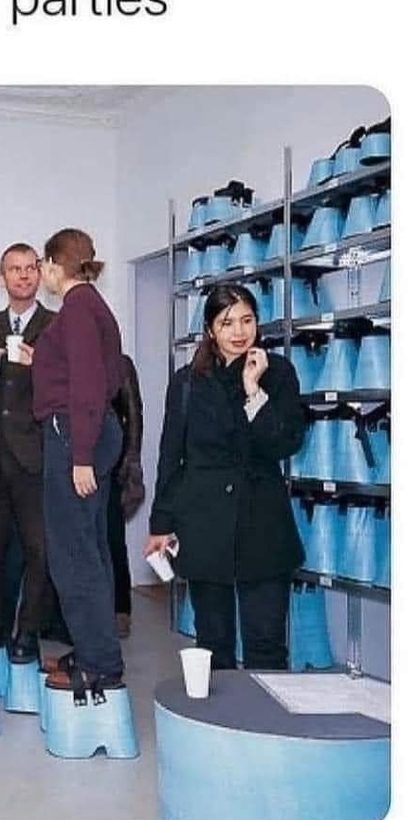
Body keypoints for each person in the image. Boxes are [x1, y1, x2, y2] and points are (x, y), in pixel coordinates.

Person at [144, 283, 305, 671]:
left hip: (262, 523)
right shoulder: (186, 382)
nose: (239, 331)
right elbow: (171, 456)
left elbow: (285, 443)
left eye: (247, 320)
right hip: (204, 523)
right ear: (210, 329)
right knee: (213, 644)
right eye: (227, 322)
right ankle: (218, 710)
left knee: (267, 643)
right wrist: (160, 524)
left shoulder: (278, 373)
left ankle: (266, 713)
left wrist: (253, 392)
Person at [32, 229, 126, 698]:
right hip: (86, 429)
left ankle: (98, 664)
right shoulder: (91, 306)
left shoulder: (76, 308)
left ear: (53, 264)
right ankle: (95, 650)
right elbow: (97, 375)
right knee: (90, 550)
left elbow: (88, 383)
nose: (42, 275)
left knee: (73, 556)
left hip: (74, 434)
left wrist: (81, 455)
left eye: (42, 266)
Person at [0, 242, 57, 664]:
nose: (23, 275)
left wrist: (38, 364)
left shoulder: (55, 327)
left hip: (37, 456)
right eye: (14, 269)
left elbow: (67, 389)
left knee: (41, 550)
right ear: (1, 278)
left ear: (39, 274)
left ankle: (28, 631)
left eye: (29, 268)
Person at [107, 354, 146, 638]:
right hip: (70, 459)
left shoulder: (119, 363)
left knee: (112, 537)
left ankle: (121, 609)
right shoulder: (64, 357)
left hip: (112, 461)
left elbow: (134, 415)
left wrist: (131, 459)